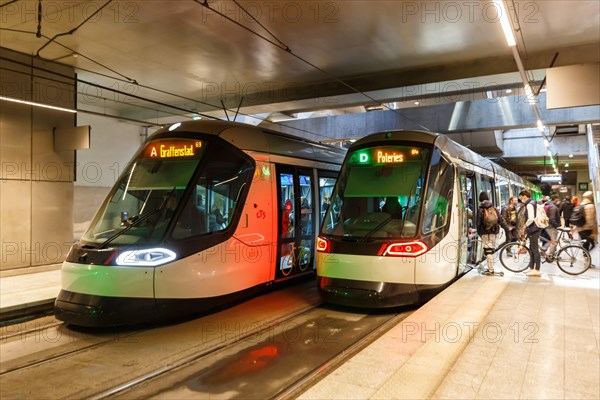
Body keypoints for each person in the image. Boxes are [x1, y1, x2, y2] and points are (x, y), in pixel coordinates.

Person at [476, 191, 502, 275]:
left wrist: (479, 232)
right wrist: (507, 228)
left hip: (485, 233)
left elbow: (478, 223)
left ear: (480, 199)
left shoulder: (480, 209)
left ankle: (491, 270)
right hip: (494, 232)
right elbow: (501, 220)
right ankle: (491, 268)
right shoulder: (494, 208)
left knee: (488, 251)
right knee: (491, 250)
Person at [519, 189, 541, 276]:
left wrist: (525, 226)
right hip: (534, 229)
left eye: (521, 197)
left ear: (524, 196)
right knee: (532, 249)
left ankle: (537, 270)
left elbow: (531, 218)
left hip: (533, 229)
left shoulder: (529, 205)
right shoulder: (533, 202)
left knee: (535, 250)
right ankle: (531, 268)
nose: (521, 199)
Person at [543, 194, 561, 261]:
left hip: (548, 225)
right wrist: (557, 225)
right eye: (557, 199)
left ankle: (551, 252)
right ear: (556, 199)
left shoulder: (548, 205)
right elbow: (552, 219)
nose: (558, 200)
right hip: (551, 226)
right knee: (554, 241)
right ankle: (550, 256)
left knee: (552, 240)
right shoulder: (552, 207)